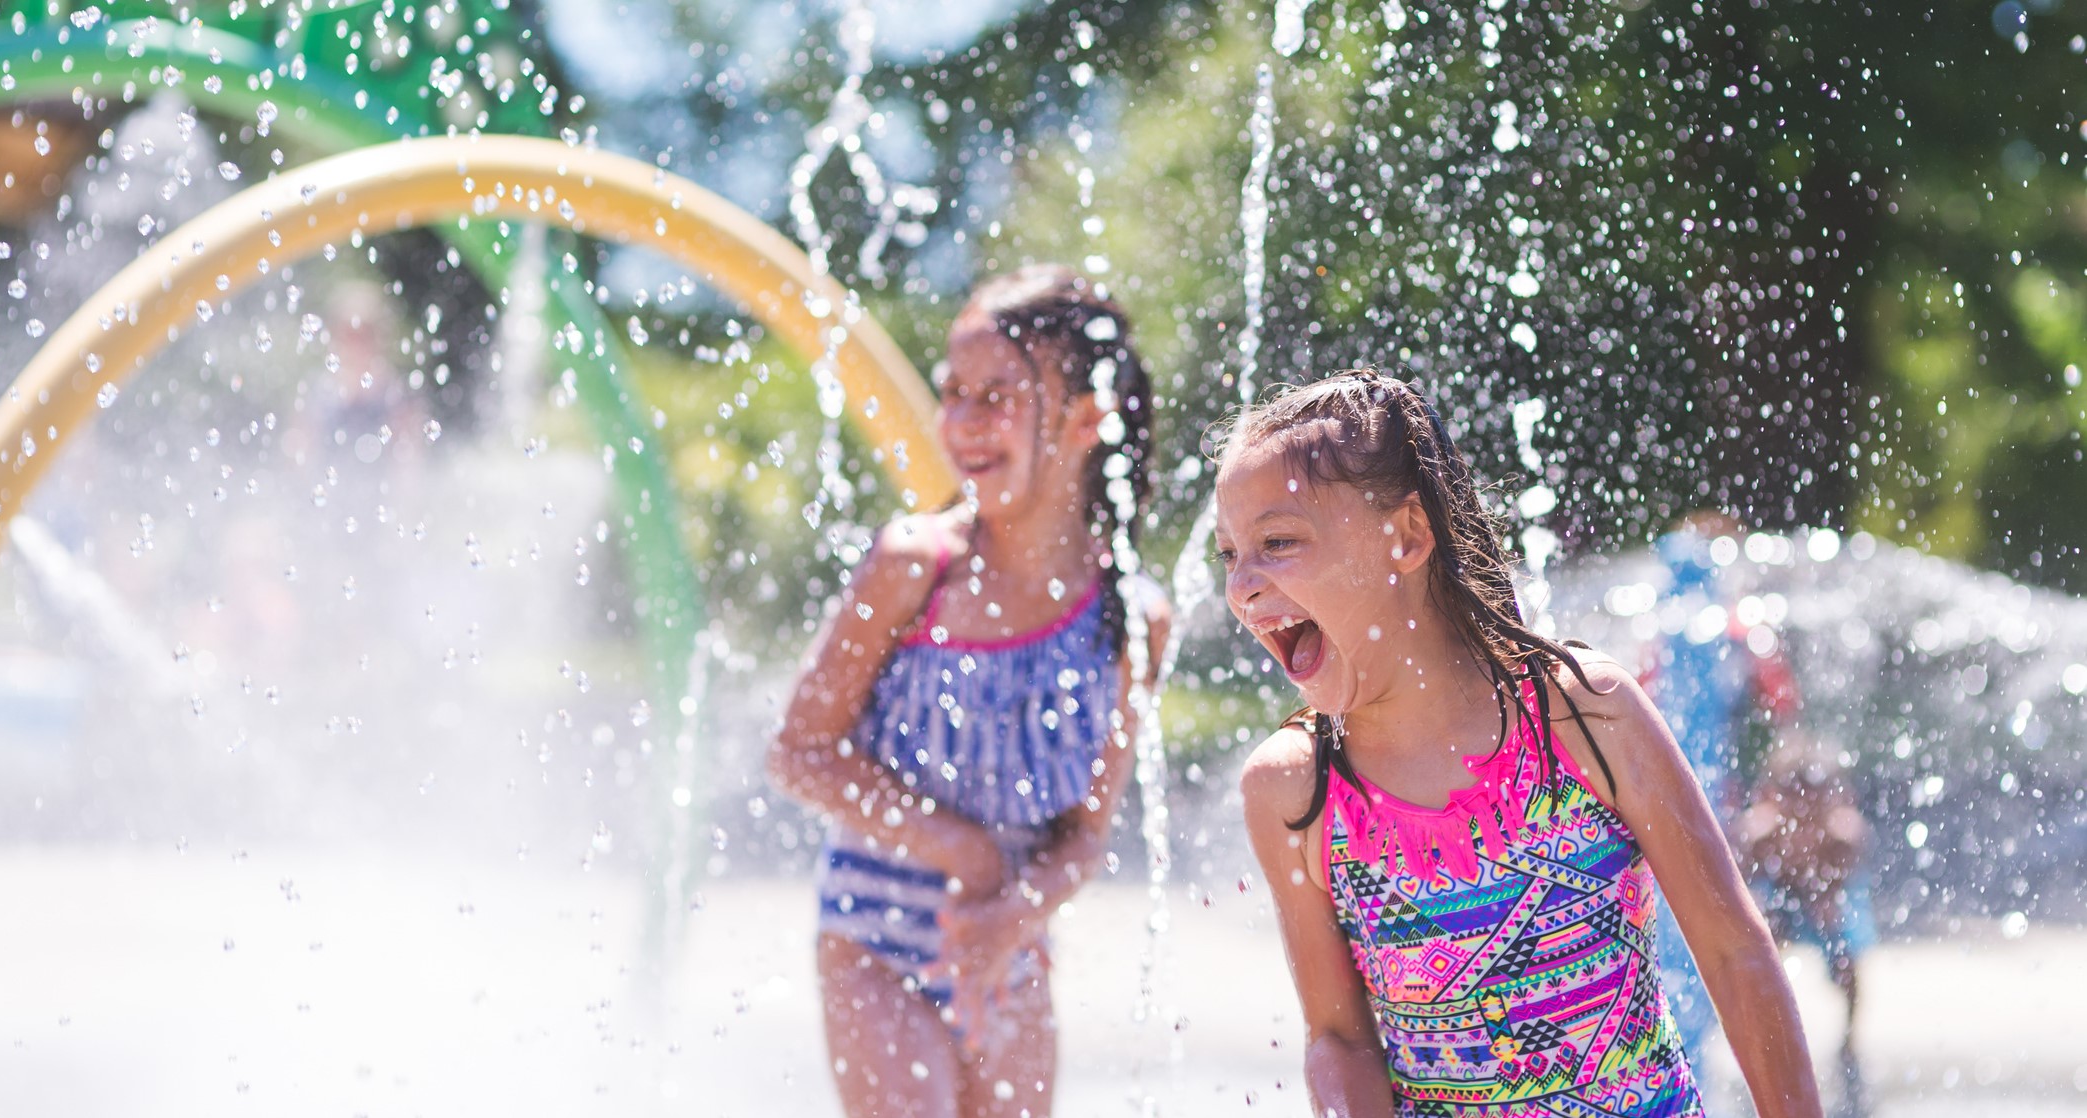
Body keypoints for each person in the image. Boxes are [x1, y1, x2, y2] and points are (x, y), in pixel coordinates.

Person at [1219, 371, 1823, 1118]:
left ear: (1406, 536)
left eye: (1276, 542)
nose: (1240, 586)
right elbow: (1339, 1038)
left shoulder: (1583, 716)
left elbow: (1735, 955)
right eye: (1228, 554)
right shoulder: (1296, 791)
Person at [767, 264, 1166, 1118]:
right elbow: (797, 753)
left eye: (997, 395)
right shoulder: (917, 569)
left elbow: (1085, 837)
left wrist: (1013, 913)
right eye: (954, 392)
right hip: (875, 944)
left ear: (1088, 418)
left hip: (1008, 954)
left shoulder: (1130, 618)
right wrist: (957, 846)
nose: (962, 421)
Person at [1736, 730, 1873, 1112]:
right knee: (1756, 946)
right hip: (1780, 891)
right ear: (1772, 797)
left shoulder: (1843, 836)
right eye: (1794, 798)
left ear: (1834, 799)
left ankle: (1848, 1038)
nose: (1804, 809)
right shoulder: (1759, 834)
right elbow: (1738, 890)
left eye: (1814, 799)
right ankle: (1762, 1029)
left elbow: (1845, 887)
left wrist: (1826, 904)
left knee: (1847, 955)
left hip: (1825, 893)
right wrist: (1760, 913)